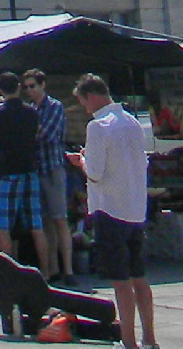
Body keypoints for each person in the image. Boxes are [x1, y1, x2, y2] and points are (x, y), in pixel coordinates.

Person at [68, 74, 153, 349]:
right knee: (139, 278)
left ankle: (129, 341)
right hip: (135, 208)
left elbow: (94, 173)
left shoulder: (98, 126)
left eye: (83, 102)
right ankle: (149, 338)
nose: (85, 108)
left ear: (92, 97)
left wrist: (81, 160)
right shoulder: (132, 122)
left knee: (121, 282)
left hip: (110, 209)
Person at [0, 71, 48, 268]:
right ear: (19, 87)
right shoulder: (32, 112)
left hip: (7, 172)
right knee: (37, 226)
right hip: (29, 170)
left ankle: (8, 275)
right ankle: (46, 272)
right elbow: (37, 133)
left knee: (4, 228)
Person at [24, 70, 76, 286]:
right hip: (37, 170)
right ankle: (52, 269)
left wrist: (29, 132)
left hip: (53, 168)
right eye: (26, 87)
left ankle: (69, 270)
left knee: (60, 219)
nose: (30, 90)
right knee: (45, 222)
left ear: (42, 85)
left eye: (33, 86)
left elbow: (47, 134)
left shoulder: (54, 106)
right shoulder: (30, 109)